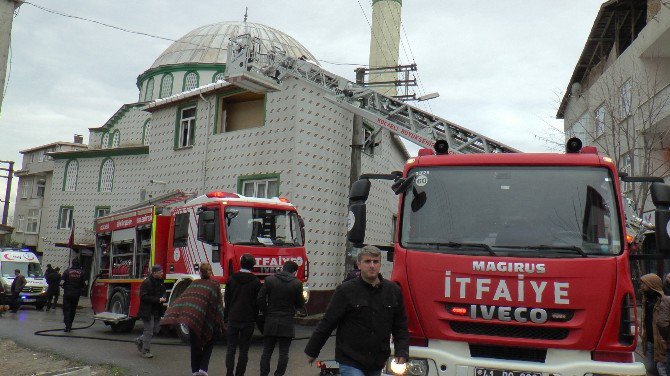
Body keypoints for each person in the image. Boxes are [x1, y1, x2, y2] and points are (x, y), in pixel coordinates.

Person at [305, 245, 409, 376]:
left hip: (377, 360)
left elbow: (400, 325)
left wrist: (402, 351)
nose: (372, 265)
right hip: (351, 359)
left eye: (375, 261)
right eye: (367, 261)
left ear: (380, 264)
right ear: (359, 264)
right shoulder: (345, 291)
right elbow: (328, 321)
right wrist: (313, 350)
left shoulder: (393, 291)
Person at [161, 263, 224, 376]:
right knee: (208, 345)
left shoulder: (194, 284)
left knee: (195, 346)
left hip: (194, 320)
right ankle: (203, 369)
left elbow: (184, 299)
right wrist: (221, 322)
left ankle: (195, 371)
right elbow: (218, 305)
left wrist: (171, 312)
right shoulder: (215, 284)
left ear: (200, 272)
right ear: (210, 272)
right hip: (209, 321)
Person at [258, 260, 305, 376]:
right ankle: (278, 374)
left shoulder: (269, 280)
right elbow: (300, 304)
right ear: (294, 271)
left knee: (267, 352)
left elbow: (260, 298)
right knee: (284, 353)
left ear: (283, 268)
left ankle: (264, 374)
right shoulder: (297, 284)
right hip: (287, 321)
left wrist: (266, 312)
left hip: (271, 319)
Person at [224, 253, 261, 376]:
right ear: (252, 266)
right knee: (244, 350)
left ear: (241, 264)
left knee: (231, 349)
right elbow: (257, 303)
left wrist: (227, 316)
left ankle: (229, 372)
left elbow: (227, 300)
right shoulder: (256, 282)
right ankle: (240, 373)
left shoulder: (231, 279)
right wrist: (255, 317)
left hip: (233, 318)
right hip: (248, 319)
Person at [640, 273, 670, 376]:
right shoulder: (646, 300)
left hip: (662, 343)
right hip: (649, 341)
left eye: (644, 284)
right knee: (649, 368)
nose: (642, 287)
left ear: (651, 285)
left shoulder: (664, 301)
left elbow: (664, 323)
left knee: (662, 369)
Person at [134, 265, 166, 359]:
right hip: (147, 311)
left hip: (156, 310)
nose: (162, 273)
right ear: (154, 273)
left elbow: (163, 291)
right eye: (160, 272)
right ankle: (145, 351)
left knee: (156, 329)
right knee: (149, 331)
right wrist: (157, 300)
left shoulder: (160, 281)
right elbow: (143, 297)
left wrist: (164, 297)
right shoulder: (146, 283)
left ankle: (140, 340)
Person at [61, 259, 85, 332]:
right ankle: (70, 324)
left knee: (66, 309)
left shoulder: (66, 271)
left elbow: (62, 282)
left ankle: (67, 325)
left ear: (72, 263)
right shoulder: (82, 272)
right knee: (73, 309)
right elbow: (85, 283)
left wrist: (64, 286)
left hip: (67, 293)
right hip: (76, 293)